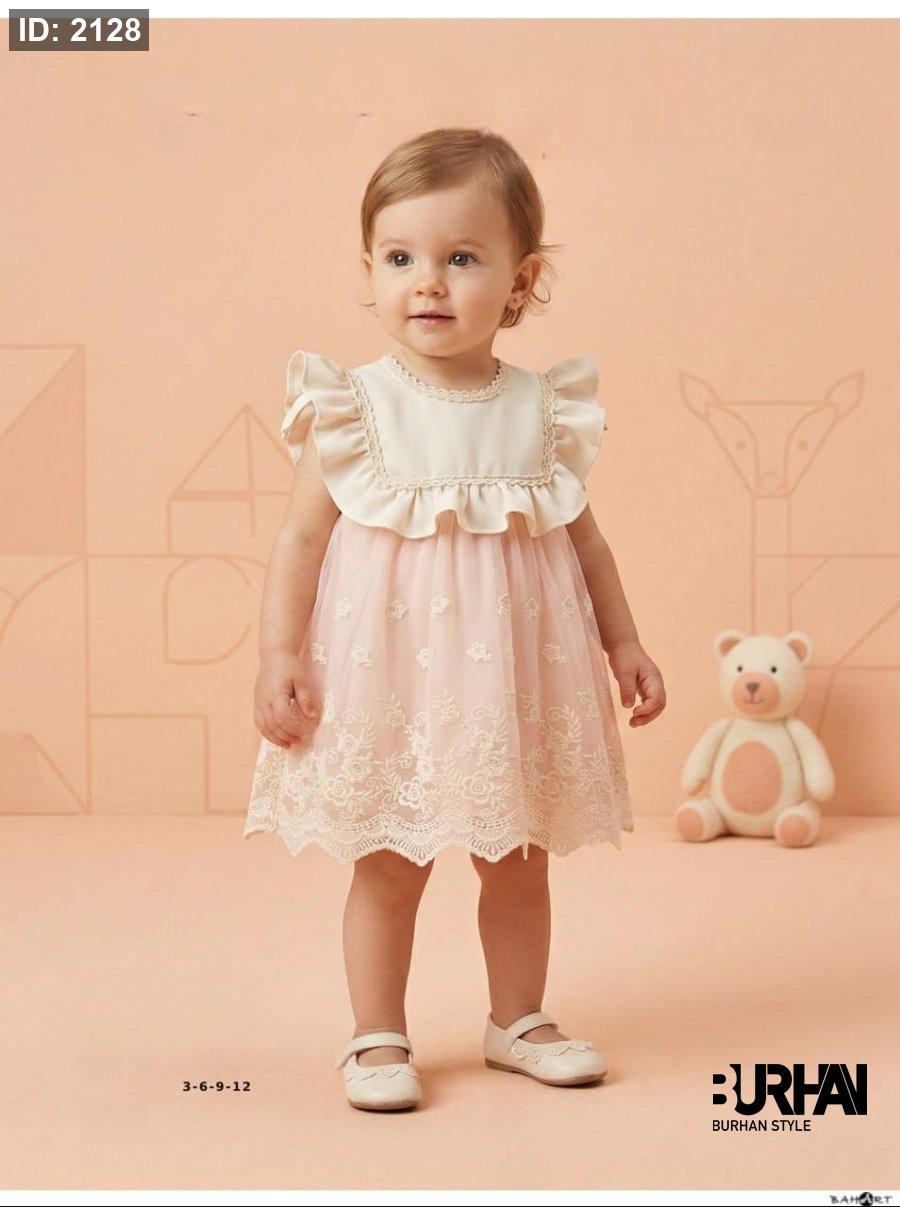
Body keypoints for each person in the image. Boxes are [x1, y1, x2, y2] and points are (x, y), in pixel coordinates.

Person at [242, 127, 666, 1112]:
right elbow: (301, 539)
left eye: (462, 258)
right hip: (393, 680)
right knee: (388, 862)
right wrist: (278, 652)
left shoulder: (541, 410)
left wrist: (625, 643)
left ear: (522, 282)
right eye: (400, 258)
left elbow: (587, 545)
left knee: (517, 859)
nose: (427, 282)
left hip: (507, 681)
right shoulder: (355, 407)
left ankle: (518, 1018)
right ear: (369, 270)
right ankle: (376, 1033)